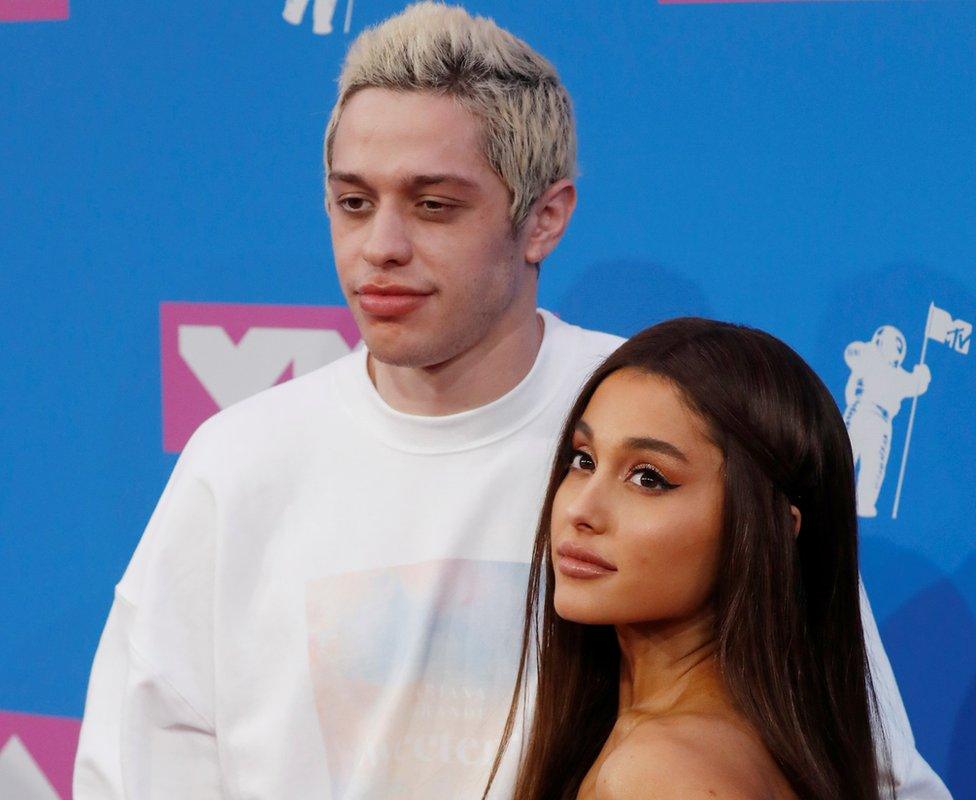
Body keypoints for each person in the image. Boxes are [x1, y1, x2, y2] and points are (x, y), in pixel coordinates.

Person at [73, 3, 949, 798]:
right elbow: (138, 766)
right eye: (352, 201)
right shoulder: (238, 460)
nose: (380, 246)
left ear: (544, 218)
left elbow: (855, 754)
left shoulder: (666, 418)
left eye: (433, 205)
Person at [486, 318, 908, 800]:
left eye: (648, 478)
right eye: (584, 460)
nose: (581, 510)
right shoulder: (687, 744)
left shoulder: (662, 774)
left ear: (771, 531)